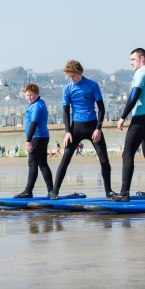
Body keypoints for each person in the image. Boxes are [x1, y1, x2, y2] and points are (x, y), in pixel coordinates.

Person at [50, 60, 114, 199]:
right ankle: (54, 192)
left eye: (73, 76)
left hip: (92, 127)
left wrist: (98, 128)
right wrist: (67, 132)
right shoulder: (67, 89)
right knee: (65, 160)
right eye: (69, 76)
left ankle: (108, 191)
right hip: (76, 128)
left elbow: (101, 109)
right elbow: (66, 112)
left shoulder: (92, 85)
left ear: (80, 73)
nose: (72, 79)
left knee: (104, 159)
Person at [110, 48, 145, 202]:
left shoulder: (141, 73)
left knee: (127, 153)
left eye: (133, 59)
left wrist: (123, 116)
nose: (131, 63)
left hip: (140, 118)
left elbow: (134, 95)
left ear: (142, 58)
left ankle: (124, 193)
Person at [14, 84, 54, 198]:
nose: (29, 97)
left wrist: (28, 140)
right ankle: (51, 191)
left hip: (37, 137)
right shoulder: (37, 103)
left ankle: (28, 191)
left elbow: (34, 122)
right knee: (42, 164)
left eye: (31, 95)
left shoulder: (37, 105)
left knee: (32, 163)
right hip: (41, 136)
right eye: (27, 95)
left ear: (37, 94)